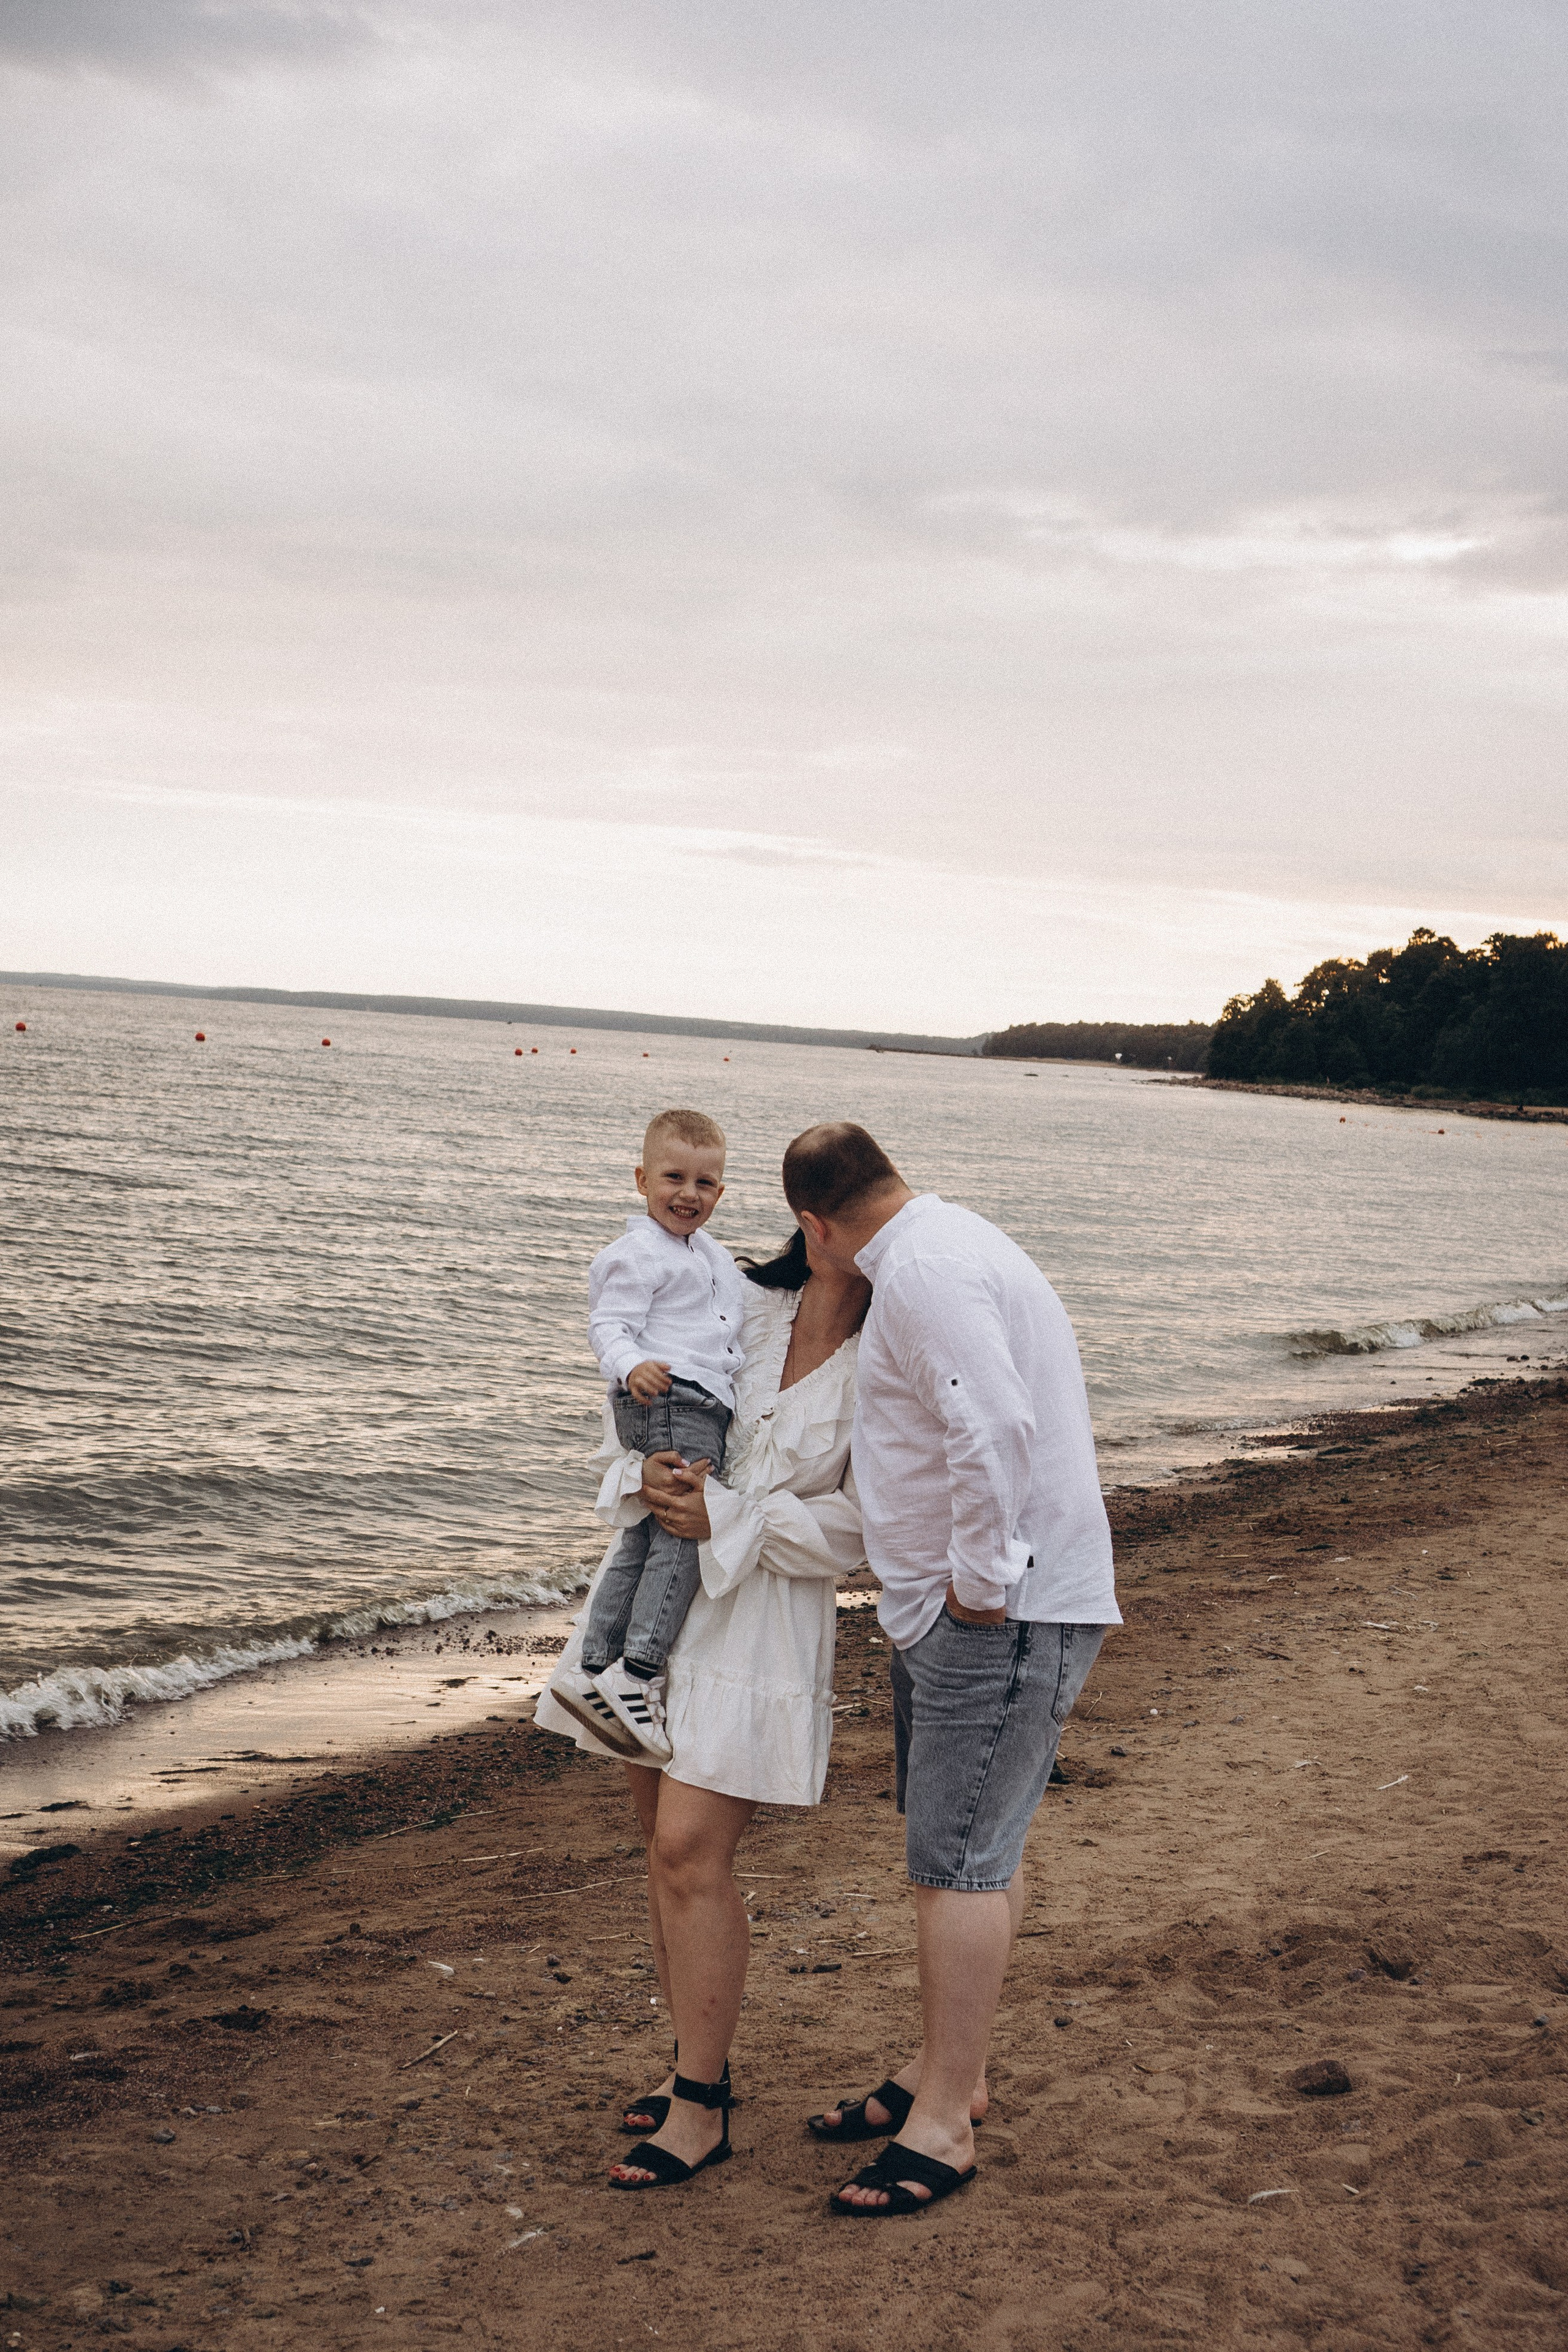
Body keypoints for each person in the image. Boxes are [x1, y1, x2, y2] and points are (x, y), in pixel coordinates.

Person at [785, 1122, 1119, 2217]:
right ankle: (951, 2078)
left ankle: (941, 2129)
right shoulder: (947, 1240)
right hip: (985, 1608)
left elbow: (995, 1427)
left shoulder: (921, 1271)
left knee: (956, 1864)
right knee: (980, 1846)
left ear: (816, 1225)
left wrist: (980, 1580)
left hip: (998, 1610)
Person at [536, 1220, 870, 2190]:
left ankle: (701, 2107)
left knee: (691, 1849)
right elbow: (639, 1397)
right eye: (842, 1219)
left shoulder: (889, 1353)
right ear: (813, 1224)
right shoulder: (743, 1301)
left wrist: (735, 1517)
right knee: (660, 1847)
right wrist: (635, 1471)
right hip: (657, 1598)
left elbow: (867, 1530)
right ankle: (697, 2056)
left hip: (761, 1613)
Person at [551, 1108, 750, 1762]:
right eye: (673, 1177)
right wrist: (628, 1364)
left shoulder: (710, 1254)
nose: (689, 1194)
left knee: (645, 1529)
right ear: (641, 1179)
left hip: (695, 1401)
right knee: (687, 1531)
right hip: (670, 1393)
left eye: (706, 1183)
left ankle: (593, 1664)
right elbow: (607, 1324)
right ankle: (638, 1673)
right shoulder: (636, 1253)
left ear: (721, 1191)